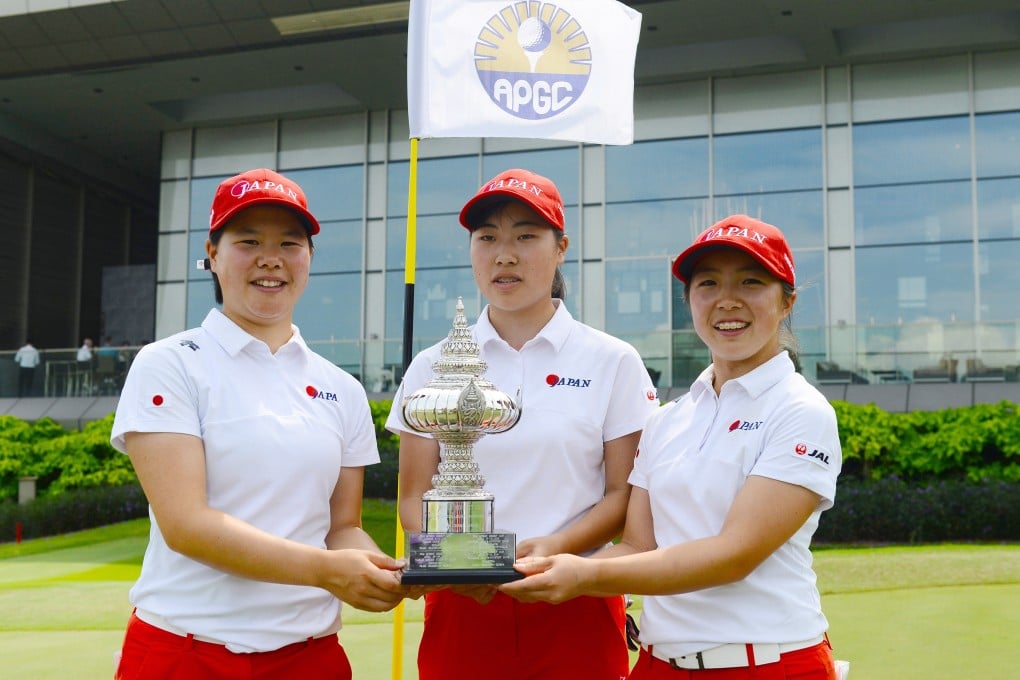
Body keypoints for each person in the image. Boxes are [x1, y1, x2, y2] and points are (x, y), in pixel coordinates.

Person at [503, 214, 843, 680]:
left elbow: (733, 554)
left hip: (767, 663)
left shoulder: (801, 410)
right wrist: (540, 568)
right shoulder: (668, 419)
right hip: (658, 665)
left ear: (787, 302)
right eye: (708, 283)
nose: (727, 300)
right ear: (689, 300)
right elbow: (637, 546)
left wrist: (582, 576)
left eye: (751, 282)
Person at [110, 168, 408, 680]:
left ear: (309, 258)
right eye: (249, 241)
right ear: (213, 252)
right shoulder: (170, 363)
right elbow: (186, 525)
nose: (271, 258)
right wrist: (327, 571)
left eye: (290, 243)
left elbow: (343, 528)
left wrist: (384, 572)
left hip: (310, 655)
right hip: (185, 654)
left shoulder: (342, 387)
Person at [386, 168, 660, 680]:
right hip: (464, 605)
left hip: (575, 598)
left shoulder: (612, 360)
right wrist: (462, 562)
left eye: (525, 237)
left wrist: (551, 551)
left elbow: (623, 497)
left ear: (561, 248)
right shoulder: (431, 365)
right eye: (487, 237)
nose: (504, 254)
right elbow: (413, 496)